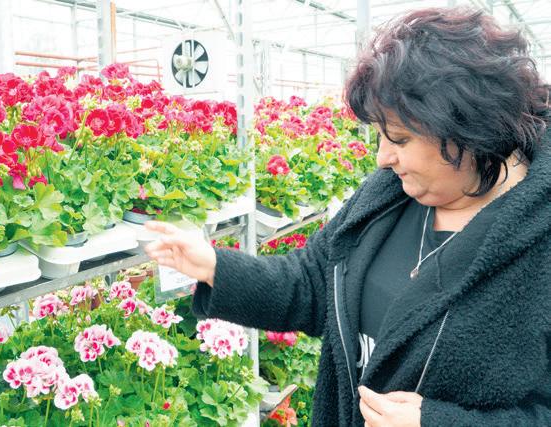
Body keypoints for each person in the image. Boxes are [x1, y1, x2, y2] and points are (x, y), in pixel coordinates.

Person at [145, 7, 551, 427]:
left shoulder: (539, 237)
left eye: (400, 138)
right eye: (380, 135)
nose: (382, 157)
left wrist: (438, 422)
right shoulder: (386, 198)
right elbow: (311, 282)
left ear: (467, 129)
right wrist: (215, 267)